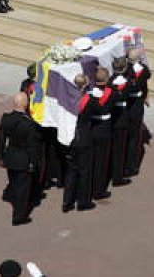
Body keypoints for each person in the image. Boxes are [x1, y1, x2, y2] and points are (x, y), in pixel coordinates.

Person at [0, 92, 41, 225]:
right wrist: (33, 162)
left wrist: (0, 157)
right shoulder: (29, 123)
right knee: (22, 189)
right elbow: (32, 146)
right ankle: (19, 216)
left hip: (10, 156)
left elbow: (1, 139)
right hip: (23, 159)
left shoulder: (6, 118)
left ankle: (13, 199)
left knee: (14, 182)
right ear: (25, 104)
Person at [63, 73, 96, 212]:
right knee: (84, 172)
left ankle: (67, 202)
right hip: (83, 138)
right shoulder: (89, 100)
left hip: (70, 138)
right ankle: (83, 202)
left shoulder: (67, 99)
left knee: (71, 172)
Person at [88, 66, 117, 200]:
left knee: (90, 160)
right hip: (104, 129)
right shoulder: (111, 92)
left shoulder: (89, 93)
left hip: (91, 129)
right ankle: (98, 191)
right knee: (101, 162)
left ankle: (88, 189)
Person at [123, 48, 150, 177]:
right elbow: (147, 75)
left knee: (125, 137)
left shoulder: (125, 71)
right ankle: (131, 166)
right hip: (136, 106)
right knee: (134, 138)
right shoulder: (143, 70)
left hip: (126, 106)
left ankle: (123, 165)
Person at [108, 56, 134, 187]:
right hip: (121, 117)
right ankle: (117, 176)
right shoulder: (127, 83)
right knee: (119, 149)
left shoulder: (109, 81)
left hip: (111, 118)